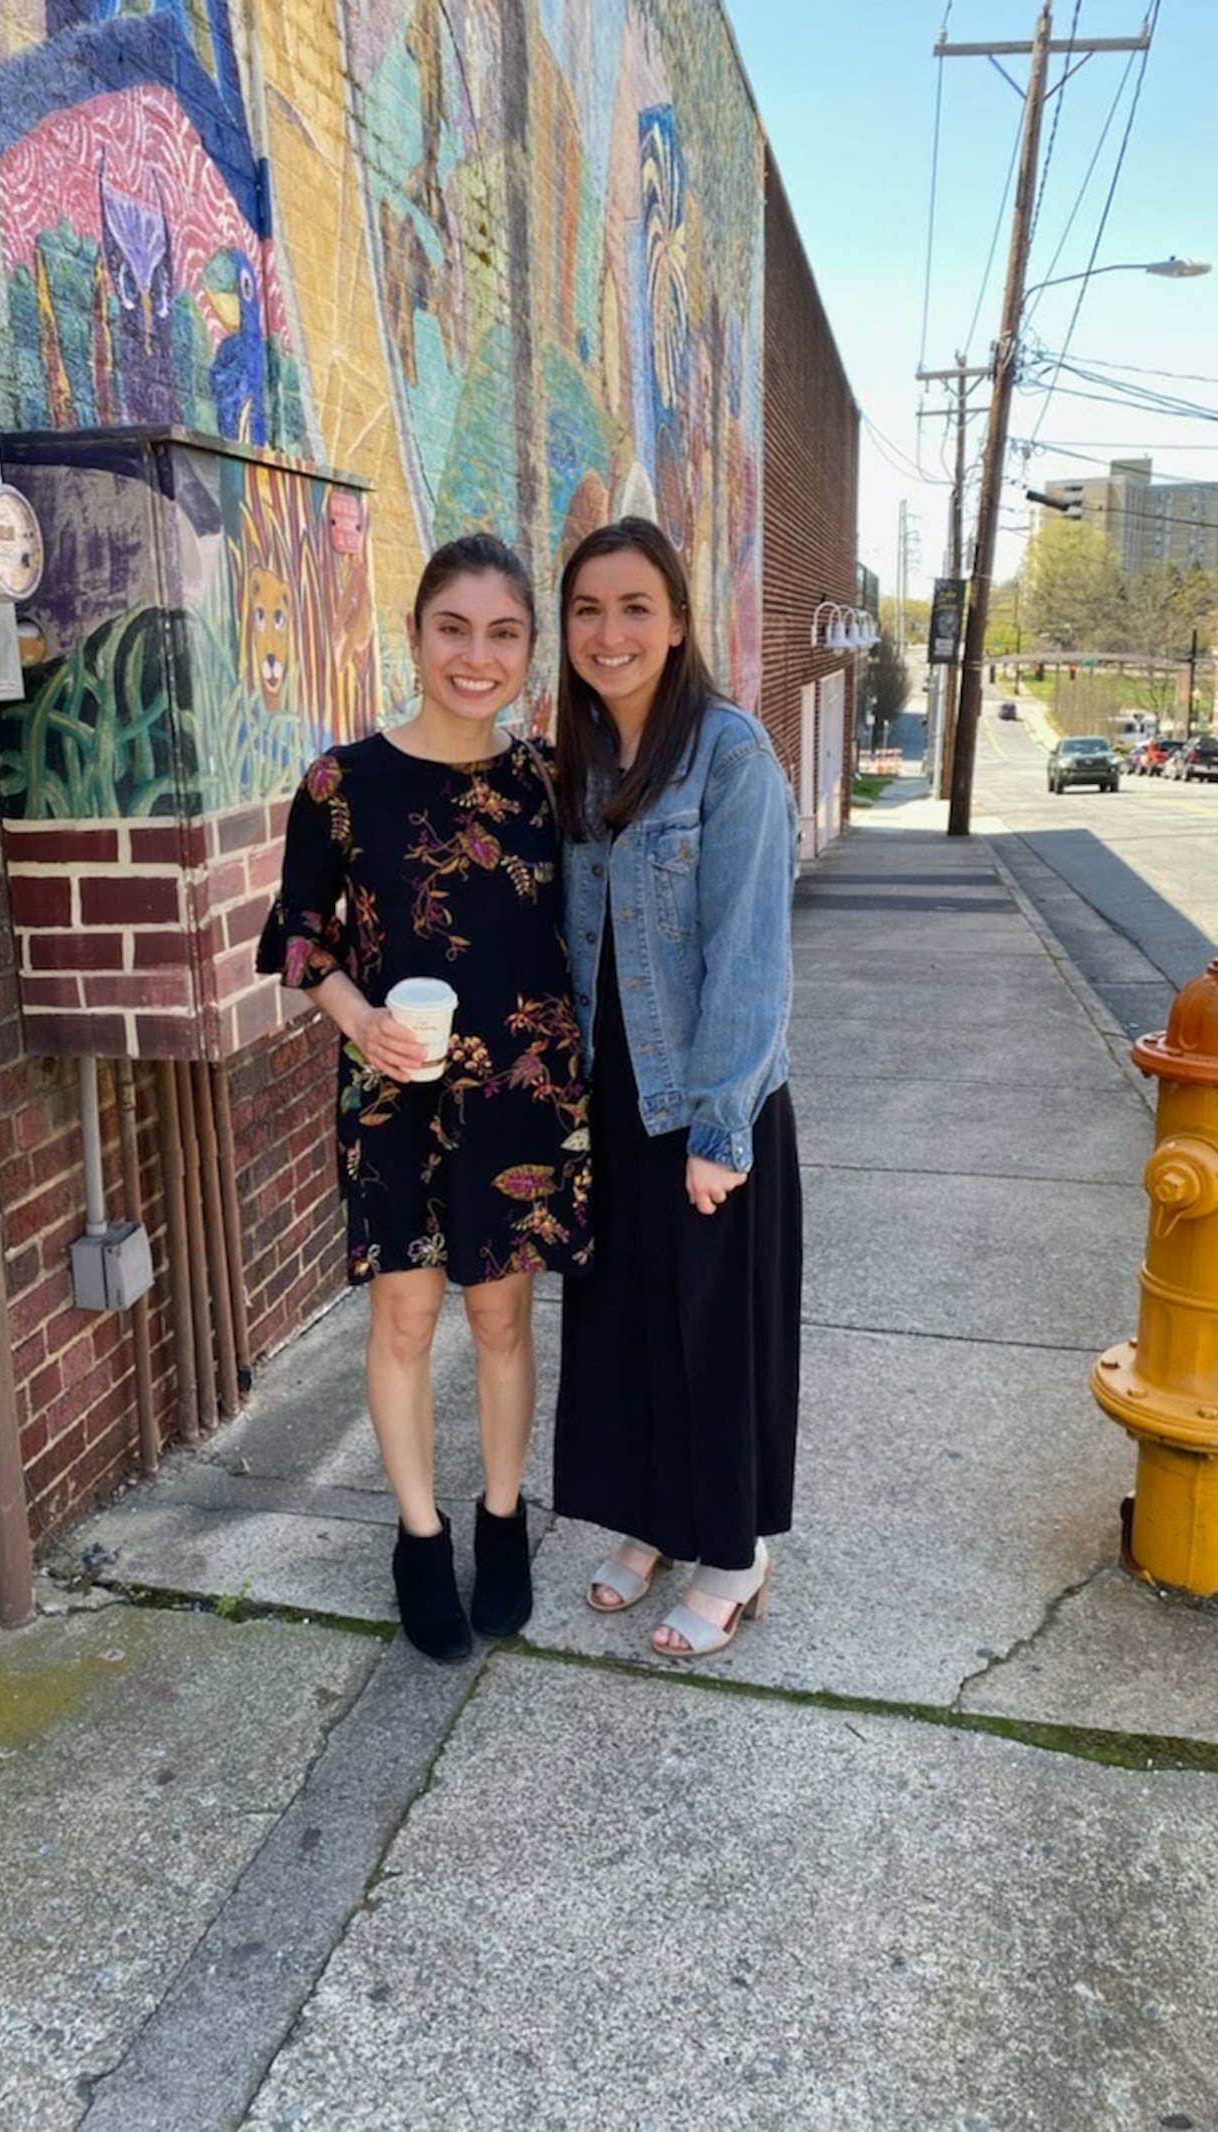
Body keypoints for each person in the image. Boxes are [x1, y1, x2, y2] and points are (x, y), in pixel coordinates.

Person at [257, 534, 590, 1662]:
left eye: (502, 633)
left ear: (529, 652)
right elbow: (302, 938)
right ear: (414, 634)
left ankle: (502, 1517)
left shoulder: (551, 779)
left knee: (500, 1315)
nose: (475, 654)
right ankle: (417, 1531)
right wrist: (358, 1019)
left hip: (523, 1101)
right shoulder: (340, 783)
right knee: (404, 1318)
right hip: (393, 1097)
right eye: (453, 627)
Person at [551, 517, 801, 1659]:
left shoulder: (731, 754)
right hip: (612, 1100)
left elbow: (752, 955)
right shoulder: (580, 757)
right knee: (626, 1329)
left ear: (679, 621)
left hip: (706, 1106)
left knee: (712, 1335)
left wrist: (720, 1126)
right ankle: (652, 1519)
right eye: (588, 609)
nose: (610, 632)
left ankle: (737, 1553)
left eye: (635, 606)